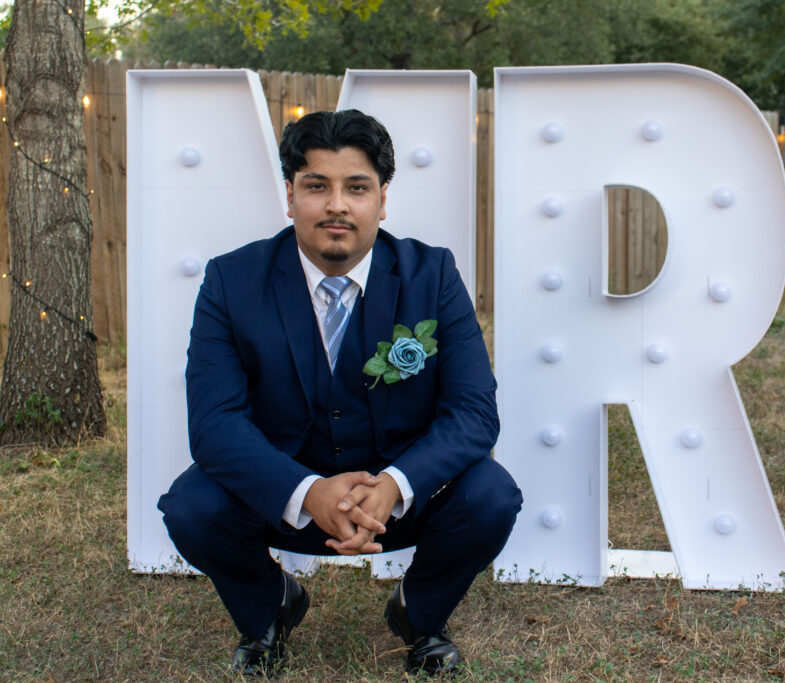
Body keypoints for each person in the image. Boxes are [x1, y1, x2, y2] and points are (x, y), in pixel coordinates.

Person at [157, 109, 522, 677]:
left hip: (398, 499)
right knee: (191, 506)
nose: (336, 205)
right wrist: (309, 492)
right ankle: (270, 608)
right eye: (316, 186)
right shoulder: (231, 281)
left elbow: (474, 412)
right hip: (284, 499)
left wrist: (396, 485)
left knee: (492, 495)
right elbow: (214, 424)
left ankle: (418, 615)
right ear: (289, 195)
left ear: (382, 199)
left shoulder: (434, 275)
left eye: (356, 187)